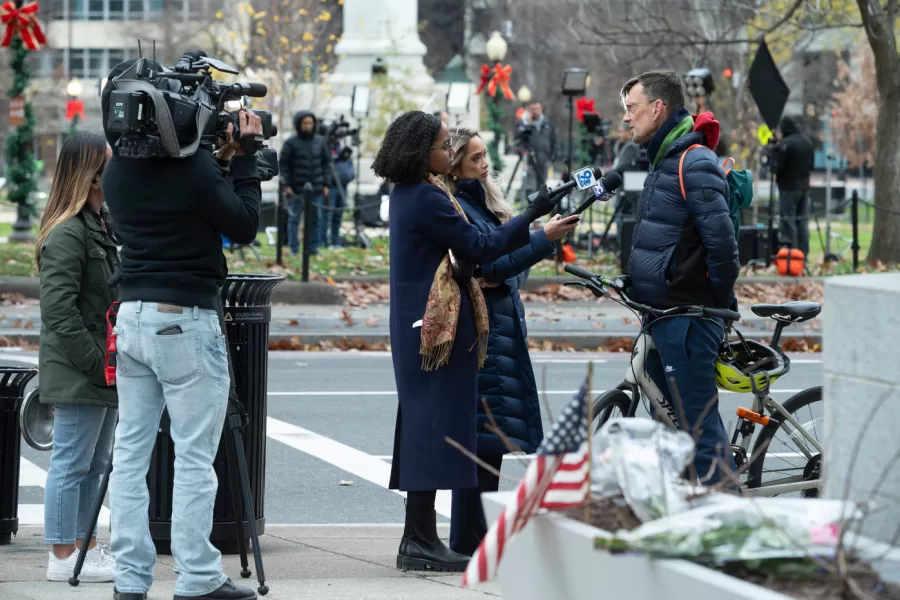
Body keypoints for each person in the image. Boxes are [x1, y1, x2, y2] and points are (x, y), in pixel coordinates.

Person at [100, 57, 263, 600]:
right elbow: (241, 226)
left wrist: (219, 160)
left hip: (132, 316)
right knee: (194, 456)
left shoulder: (118, 169)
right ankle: (196, 578)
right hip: (184, 319)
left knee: (131, 453)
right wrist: (244, 164)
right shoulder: (193, 171)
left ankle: (130, 579)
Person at [374, 111, 560, 572]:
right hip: (438, 332)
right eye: (441, 145)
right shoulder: (427, 199)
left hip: (419, 329)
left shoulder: (409, 194)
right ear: (422, 152)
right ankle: (418, 540)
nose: (446, 150)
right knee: (433, 431)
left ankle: (418, 537)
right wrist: (535, 218)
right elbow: (481, 247)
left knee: (425, 430)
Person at [442, 126, 579, 556]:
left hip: (502, 328)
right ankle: (469, 542)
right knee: (482, 443)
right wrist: (542, 241)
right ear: (456, 165)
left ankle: (478, 540)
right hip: (485, 332)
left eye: (485, 156)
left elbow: (508, 273)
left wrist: (523, 253)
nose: (485, 165)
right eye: (475, 158)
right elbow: (496, 268)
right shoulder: (461, 206)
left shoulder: (486, 203)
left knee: (493, 443)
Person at [620, 69, 740, 486]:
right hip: (662, 315)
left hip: (688, 317)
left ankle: (725, 530)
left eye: (631, 108)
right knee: (672, 434)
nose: (625, 118)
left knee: (699, 434)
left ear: (658, 108)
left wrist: (711, 306)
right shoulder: (664, 158)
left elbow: (723, 248)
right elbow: (669, 238)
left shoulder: (694, 160)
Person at [36, 132, 118, 584]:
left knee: (95, 465)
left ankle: (82, 549)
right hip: (82, 369)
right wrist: (96, 364)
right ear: (89, 177)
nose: (116, 175)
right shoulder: (68, 232)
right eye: (109, 167)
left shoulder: (98, 225)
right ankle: (62, 553)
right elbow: (59, 313)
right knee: (71, 463)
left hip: (100, 369)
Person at [279, 110, 331, 255]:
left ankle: (313, 248)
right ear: (299, 124)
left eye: (310, 123)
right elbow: (283, 166)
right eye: (305, 123)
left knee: (315, 220)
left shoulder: (320, 141)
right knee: (294, 219)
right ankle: (294, 248)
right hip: (296, 189)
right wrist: (287, 185)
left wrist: (326, 184)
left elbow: (326, 164)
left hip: (316, 189)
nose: (308, 126)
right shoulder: (290, 143)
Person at [774, 115, 815, 259]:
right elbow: (812, 166)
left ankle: (792, 252)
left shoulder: (785, 144)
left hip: (788, 186)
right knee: (802, 220)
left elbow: (778, 166)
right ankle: (804, 253)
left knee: (788, 218)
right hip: (804, 186)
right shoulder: (807, 142)